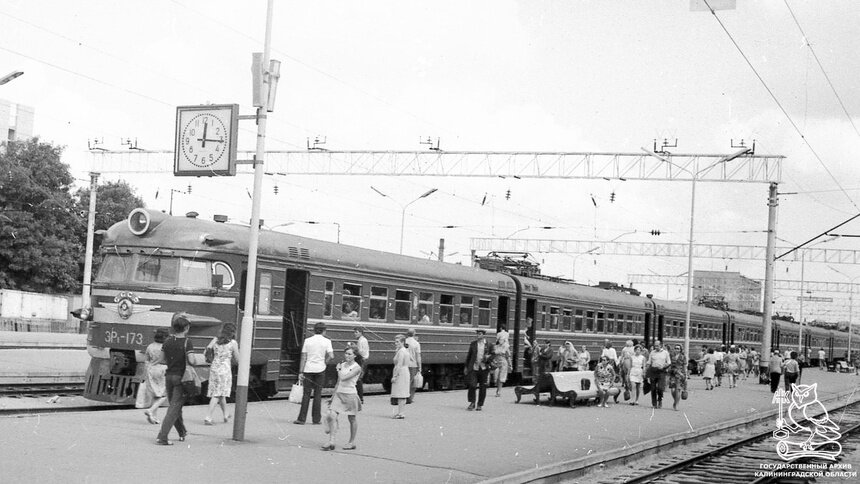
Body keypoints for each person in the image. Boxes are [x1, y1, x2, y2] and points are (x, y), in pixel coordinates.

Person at [156, 312, 194, 446]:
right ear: (186, 328)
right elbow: (192, 360)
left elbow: (161, 360)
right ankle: (162, 437)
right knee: (174, 408)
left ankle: (182, 432)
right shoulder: (187, 342)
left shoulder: (167, 341)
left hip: (169, 377)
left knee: (175, 406)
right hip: (181, 378)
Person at [321, 346, 363, 451]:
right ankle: (331, 441)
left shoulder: (356, 367)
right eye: (346, 353)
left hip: (350, 395)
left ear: (355, 356)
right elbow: (338, 382)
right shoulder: (342, 365)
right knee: (331, 415)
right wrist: (332, 396)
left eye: (350, 354)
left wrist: (339, 369)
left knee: (352, 419)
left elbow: (344, 378)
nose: (347, 356)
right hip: (339, 394)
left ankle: (351, 442)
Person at [295, 322, 334, 425]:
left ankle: (301, 419)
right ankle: (316, 419)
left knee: (306, 394)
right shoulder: (327, 341)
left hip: (308, 369)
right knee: (317, 394)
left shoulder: (307, 341)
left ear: (314, 330)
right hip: (320, 369)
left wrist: (301, 371)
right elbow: (331, 355)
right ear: (324, 331)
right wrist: (325, 362)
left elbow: (303, 357)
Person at [204, 322, 240, 425]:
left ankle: (225, 414)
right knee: (217, 394)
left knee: (220, 392)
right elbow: (237, 359)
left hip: (214, 368)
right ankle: (208, 417)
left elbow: (206, 350)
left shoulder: (215, 340)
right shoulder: (233, 343)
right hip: (224, 370)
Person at [141, 327, 168, 425]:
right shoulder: (165, 346)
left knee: (156, 393)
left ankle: (154, 417)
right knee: (164, 394)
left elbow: (146, 360)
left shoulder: (150, 346)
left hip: (151, 370)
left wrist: (145, 373)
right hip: (163, 369)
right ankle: (151, 410)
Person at [464, 329, 492, 411]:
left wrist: (488, 357)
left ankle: (480, 404)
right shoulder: (473, 344)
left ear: (483, 335)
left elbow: (493, 354)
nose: (478, 335)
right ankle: (472, 403)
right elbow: (469, 356)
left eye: (480, 334)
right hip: (474, 367)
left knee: (483, 387)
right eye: (477, 334)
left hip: (484, 368)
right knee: (472, 385)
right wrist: (466, 367)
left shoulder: (489, 344)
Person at [390, 334, 411, 418]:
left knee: (401, 393)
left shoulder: (401, 351)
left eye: (397, 342)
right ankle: (401, 412)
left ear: (402, 342)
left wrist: (395, 376)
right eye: (395, 341)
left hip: (401, 373)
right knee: (402, 393)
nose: (395, 343)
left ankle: (401, 413)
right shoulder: (404, 350)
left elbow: (399, 364)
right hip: (404, 372)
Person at [646, 340, 670, 409]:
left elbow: (669, 362)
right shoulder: (652, 352)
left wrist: (664, 366)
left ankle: (660, 400)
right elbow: (649, 362)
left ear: (661, 345)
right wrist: (646, 371)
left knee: (660, 388)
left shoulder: (665, 353)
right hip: (653, 371)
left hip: (661, 371)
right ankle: (654, 403)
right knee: (653, 388)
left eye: (657, 346)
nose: (656, 347)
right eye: (655, 346)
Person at [353, 327, 370, 404]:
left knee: (359, 379)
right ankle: (359, 397)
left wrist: (355, 349)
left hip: (362, 360)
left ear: (361, 332)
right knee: (358, 378)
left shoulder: (363, 340)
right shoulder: (361, 340)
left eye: (356, 332)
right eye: (354, 332)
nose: (355, 334)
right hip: (361, 360)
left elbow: (363, 352)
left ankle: (360, 398)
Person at [668, 344, 687, 411]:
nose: (676, 349)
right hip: (673, 374)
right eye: (675, 348)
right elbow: (669, 364)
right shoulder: (671, 356)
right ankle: (675, 401)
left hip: (680, 374)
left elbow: (684, 366)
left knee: (678, 389)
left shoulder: (683, 357)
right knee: (673, 390)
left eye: (678, 348)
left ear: (680, 349)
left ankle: (676, 404)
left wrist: (685, 375)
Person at [404, 328, 422, 403]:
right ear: (414, 334)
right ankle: (409, 398)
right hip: (413, 365)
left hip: (405, 364)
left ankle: (403, 396)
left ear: (407, 333)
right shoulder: (416, 343)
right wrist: (420, 367)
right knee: (412, 382)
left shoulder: (404, 342)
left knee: (405, 381)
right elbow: (418, 356)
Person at [492, 332, 511, 397]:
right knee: (496, 377)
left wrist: (510, 365)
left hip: (503, 363)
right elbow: (493, 355)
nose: (500, 340)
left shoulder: (506, 347)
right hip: (496, 363)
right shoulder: (496, 347)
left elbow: (508, 357)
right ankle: (497, 389)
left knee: (501, 378)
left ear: (504, 340)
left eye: (501, 339)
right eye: (499, 339)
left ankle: (499, 391)